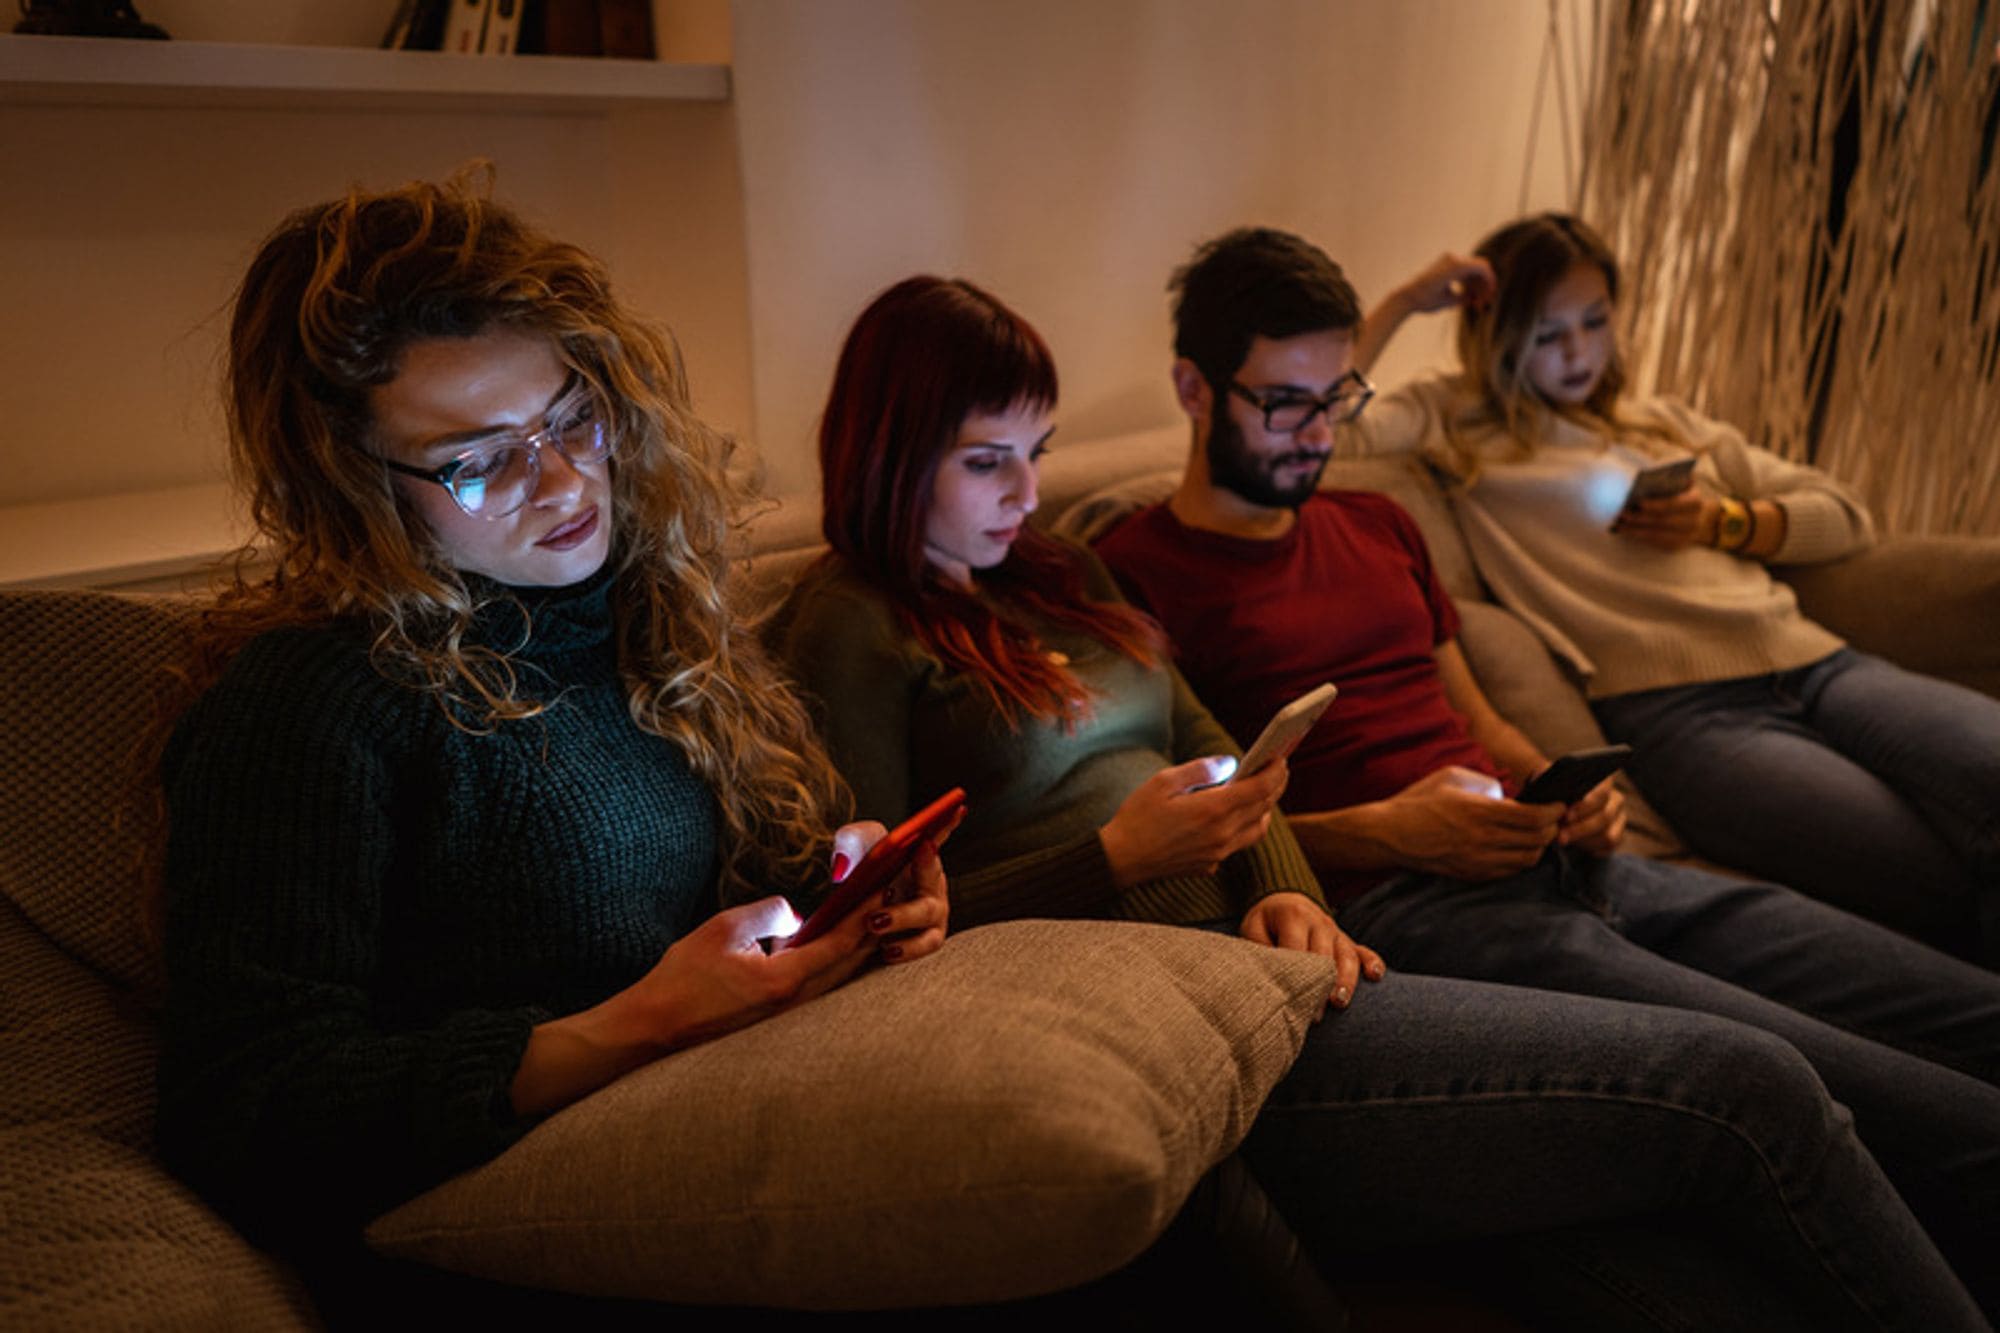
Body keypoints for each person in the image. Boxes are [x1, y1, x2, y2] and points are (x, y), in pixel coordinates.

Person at [774, 273, 1993, 1330]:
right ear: (891, 447)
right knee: (1748, 1084)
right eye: (986, 461)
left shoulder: (1055, 571)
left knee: (1666, 1256)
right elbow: (887, 934)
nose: (1025, 493)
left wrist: (1295, 896)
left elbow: (1219, 746)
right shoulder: (852, 627)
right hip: (1167, 1017)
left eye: (1035, 454)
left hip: (1295, 963)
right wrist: (1107, 856)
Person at [151, 177, 950, 1283]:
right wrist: (634, 1025)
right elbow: (239, 1111)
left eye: (573, 416)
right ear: (351, 485)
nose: (566, 479)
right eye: (478, 462)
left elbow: (728, 912)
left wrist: (848, 895)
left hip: (728, 1134)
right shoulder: (318, 702)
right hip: (507, 1237)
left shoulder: (643, 607)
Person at [1345, 211, 1999, 960]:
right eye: (1550, 333)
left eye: (1595, 321)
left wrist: (1723, 521)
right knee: (1930, 874)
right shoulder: (1453, 420)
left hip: (1820, 665)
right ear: (1498, 334)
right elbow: (1328, 429)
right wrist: (1403, 300)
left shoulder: (1660, 422)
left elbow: (1847, 515)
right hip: (1693, 718)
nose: (1580, 351)